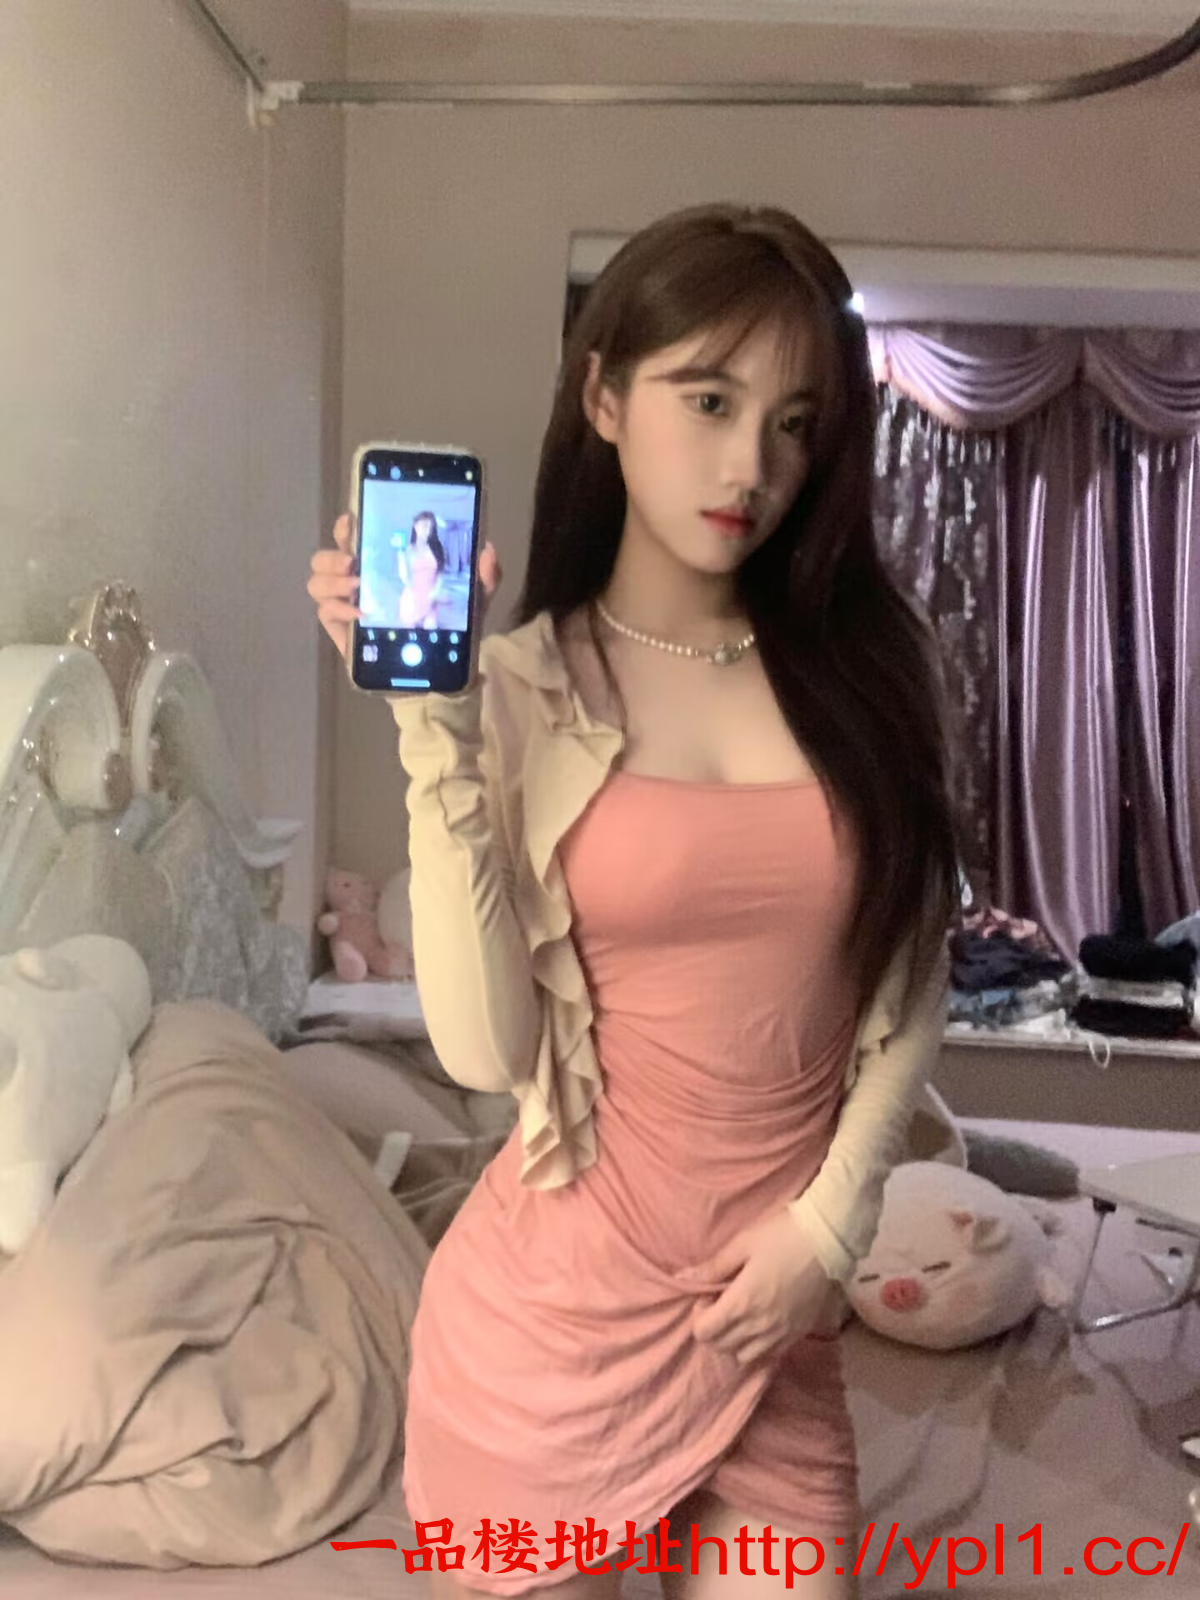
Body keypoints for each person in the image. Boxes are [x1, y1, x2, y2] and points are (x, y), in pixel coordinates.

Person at [308, 202, 963, 1599]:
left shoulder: (868, 676)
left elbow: (916, 972)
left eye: (794, 423)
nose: (751, 465)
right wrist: (432, 726)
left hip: (771, 1326)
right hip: (547, 1341)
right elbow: (482, 1053)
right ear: (603, 396)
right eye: (709, 399)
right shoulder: (518, 691)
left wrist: (834, 1225)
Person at [394, 509, 447, 627]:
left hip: (430, 597)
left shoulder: (437, 549)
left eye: (430, 528)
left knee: (431, 627)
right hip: (412, 599)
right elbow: (404, 578)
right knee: (409, 631)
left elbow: (440, 575)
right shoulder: (408, 551)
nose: (427, 531)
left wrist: (434, 593)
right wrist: (400, 554)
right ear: (416, 526)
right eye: (424, 526)